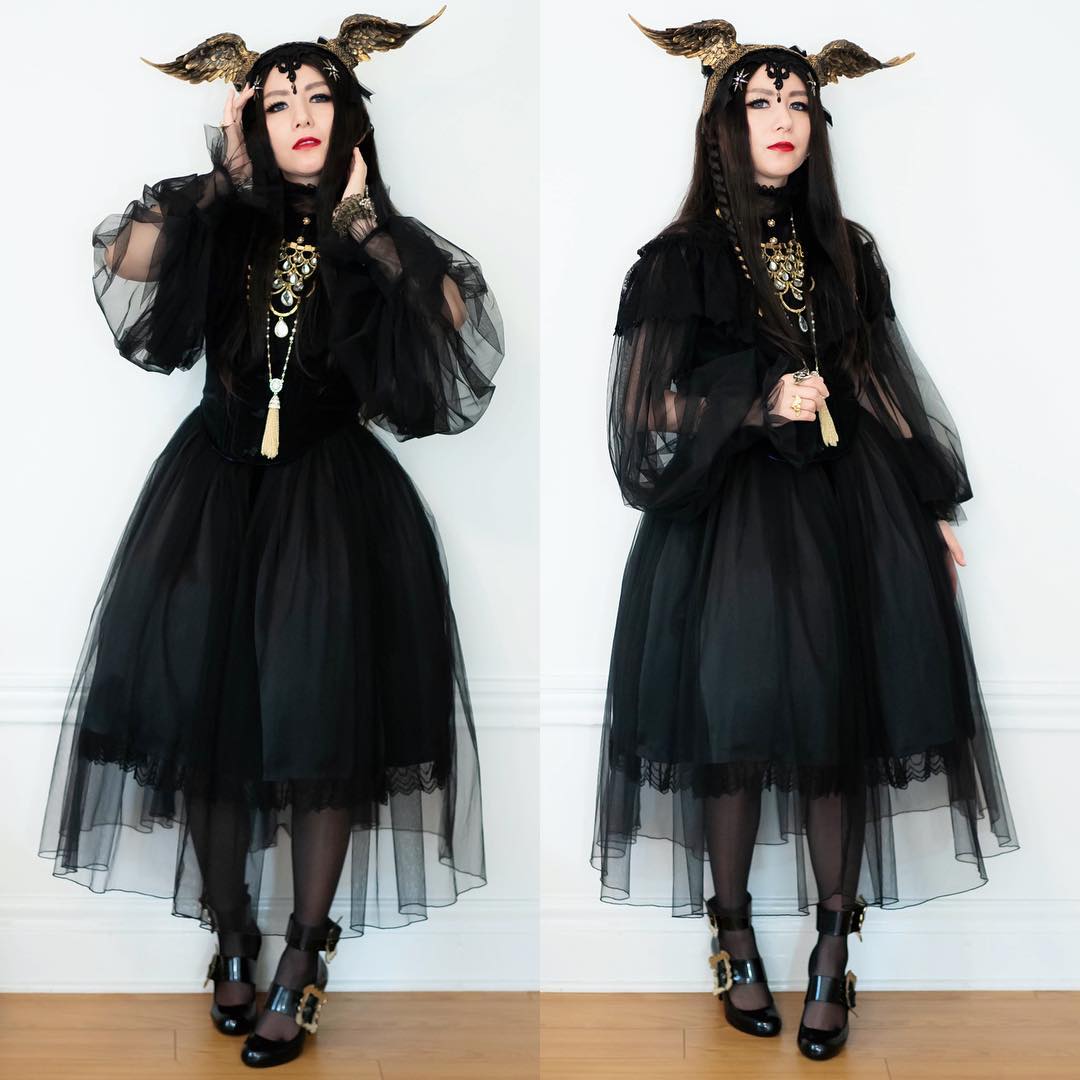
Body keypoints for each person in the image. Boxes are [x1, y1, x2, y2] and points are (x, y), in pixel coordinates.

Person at [38, 9, 503, 1069]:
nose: (300, 114)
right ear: (252, 120)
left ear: (349, 119)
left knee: (321, 725)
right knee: (207, 716)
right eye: (278, 100)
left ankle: (304, 954)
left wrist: (367, 231)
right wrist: (220, 178)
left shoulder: (381, 238)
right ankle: (233, 934)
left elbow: (454, 324)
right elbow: (125, 257)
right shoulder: (223, 221)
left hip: (334, 502)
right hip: (214, 491)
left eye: (318, 97)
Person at [591, 15, 1018, 1062]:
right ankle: (732, 933)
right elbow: (646, 409)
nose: (784, 118)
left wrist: (930, 503)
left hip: (850, 507)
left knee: (838, 728)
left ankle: (835, 947)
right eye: (762, 101)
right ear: (723, 124)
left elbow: (876, 379)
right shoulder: (681, 258)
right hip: (730, 518)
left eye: (798, 103)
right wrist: (756, 401)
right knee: (734, 726)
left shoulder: (846, 249)